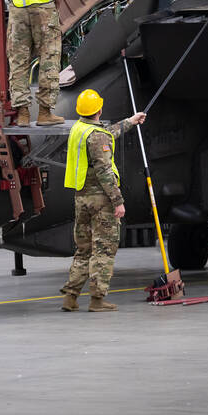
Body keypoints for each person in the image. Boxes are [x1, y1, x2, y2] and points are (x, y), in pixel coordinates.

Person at [59, 88, 146, 312]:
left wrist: (130, 121)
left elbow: (106, 134)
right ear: (99, 110)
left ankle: (70, 297)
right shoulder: (97, 136)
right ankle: (97, 300)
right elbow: (104, 171)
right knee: (104, 249)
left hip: (82, 198)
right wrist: (118, 201)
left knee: (84, 249)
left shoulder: (79, 129)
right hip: (101, 200)